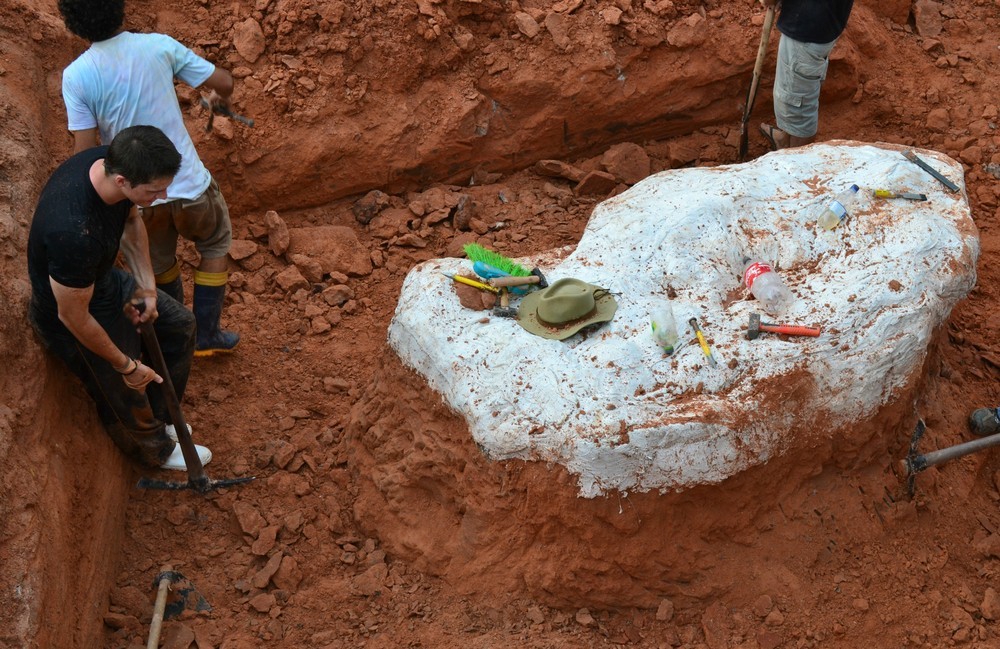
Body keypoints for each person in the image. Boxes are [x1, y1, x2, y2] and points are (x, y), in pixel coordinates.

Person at [58, 0, 240, 356]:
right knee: (215, 243)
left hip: (138, 196)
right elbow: (224, 82)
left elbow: (84, 154)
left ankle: (178, 339)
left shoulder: (76, 76)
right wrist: (218, 95)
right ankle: (208, 336)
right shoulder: (158, 46)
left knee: (157, 265)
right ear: (121, 10)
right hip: (188, 182)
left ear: (73, 26)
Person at [27, 125, 212, 470]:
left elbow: (129, 223)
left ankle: (162, 416)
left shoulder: (106, 162)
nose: (163, 195)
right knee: (121, 384)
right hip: (69, 314)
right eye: (155, 190)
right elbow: (73, 317)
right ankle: (153, 449)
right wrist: (125, 364)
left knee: (180, 325)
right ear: (124, 181)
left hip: (101, 281)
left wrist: (145, 287)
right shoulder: (74, 233)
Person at [757, 0, 855, 151]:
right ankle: (784, 140)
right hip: (825, 23)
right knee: (797, 94)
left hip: (806, 31)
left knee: (798, 110)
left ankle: (796, 165)